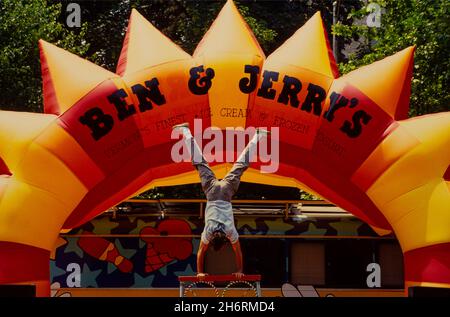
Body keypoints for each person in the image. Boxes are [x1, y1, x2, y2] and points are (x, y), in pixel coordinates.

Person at [172, 123, 268, 280]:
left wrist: (239, 270)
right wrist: (199, 272)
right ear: (212, 241)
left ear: (224, 242)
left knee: (240, 165)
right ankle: (185, 131)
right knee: (200, 163)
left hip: (226, 192)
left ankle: (259, 135)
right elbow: (200, 253)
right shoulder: (208, 233)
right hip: (211, 191)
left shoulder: (231, 232)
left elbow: (238, 252)